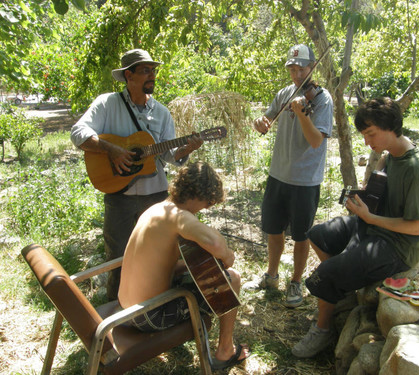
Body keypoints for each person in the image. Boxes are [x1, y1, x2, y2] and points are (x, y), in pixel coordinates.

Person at [292, 97, 419, 358]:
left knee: (326, 272)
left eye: (371, 134)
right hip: (376, 227)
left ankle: (323, 330)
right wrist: (362, 201)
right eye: (364, 135)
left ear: (392, 127)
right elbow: (377, 194)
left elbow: (417, 227)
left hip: (399, 245)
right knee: (318, 235)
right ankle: (342, 289)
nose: (367, 142)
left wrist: (370, 219)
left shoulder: (416, 169)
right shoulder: (390, 155)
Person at [71, 49, 202, 300]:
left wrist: (185, 149)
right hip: (119, 197)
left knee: (161, 256)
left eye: (153, 70)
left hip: (156, 197)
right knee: (118, 259)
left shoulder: (162, 112)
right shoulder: (107, 104)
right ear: (128, 76)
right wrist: (110, 149)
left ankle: (158, 310)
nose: (152, 76)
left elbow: (166, 155)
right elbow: (78, 132)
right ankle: (115, 316)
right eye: (145, 71)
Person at [118, 161, 250, 370]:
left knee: (201, 275)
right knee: (231, 278)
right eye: (208, 204)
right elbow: (215, 244)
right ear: (199, 196)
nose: (205, 210)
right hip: (149, 316)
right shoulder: (178, 216)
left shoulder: (156, 209)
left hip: (126, 308)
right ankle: (226, 350)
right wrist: (227, 254)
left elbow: (160, 265)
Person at [252, 44, 334, 307]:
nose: (297, 75)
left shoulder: (322, 100)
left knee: (301, 235)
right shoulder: (285, 93)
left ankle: (296, 282)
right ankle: (272, 275)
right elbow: (266, 121)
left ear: (311, 68)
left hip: (305, 180)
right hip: (278, 174)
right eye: (293, 69)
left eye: (302, 68)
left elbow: (314, 141)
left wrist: (300, 114)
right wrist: (260, 123)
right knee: (273, 230)